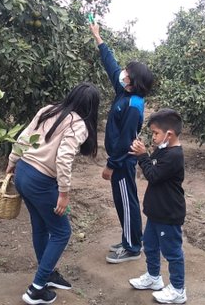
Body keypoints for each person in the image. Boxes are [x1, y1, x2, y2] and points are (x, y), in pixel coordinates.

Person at [6, 82, 100, 305]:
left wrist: (12, 162)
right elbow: (64, 158)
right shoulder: (78, 125)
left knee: (40, 226)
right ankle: (36, 289)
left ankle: (47, 274)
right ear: (92, 108)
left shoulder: (48, 110)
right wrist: (64, 193)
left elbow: (23, 137)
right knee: (61, 232)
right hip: (40, 181)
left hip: (23, 173)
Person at [89, 23, 154, 263]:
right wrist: (98, 38)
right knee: (123, 200)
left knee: (127, 202)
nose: (122, 72)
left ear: (132, 80)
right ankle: (130, 237)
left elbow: (127, 141)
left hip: (123, 162)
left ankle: (133, 247)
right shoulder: (124, 92)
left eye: (126, 71)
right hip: (120, 161)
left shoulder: (133, 105)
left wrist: (111, 165)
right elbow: (110, 65)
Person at [127, 108, 187, 304]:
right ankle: (154, 278)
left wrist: (142, 156)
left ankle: (178, 289)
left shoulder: (174, 156)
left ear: (168, 135)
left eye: (155, 133)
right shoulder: (163, 150)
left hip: (168, 214)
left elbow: (152, 174)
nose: (153, 137)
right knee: (150, 246)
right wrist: (144, 152)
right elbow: (153, 164)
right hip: (156, 212)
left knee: (172, 252)